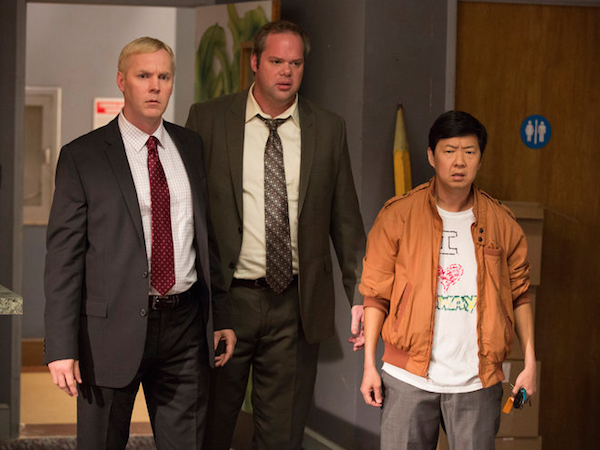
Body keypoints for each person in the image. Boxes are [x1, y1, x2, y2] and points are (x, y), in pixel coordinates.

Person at [43, 37, 236, 450]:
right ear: (121, 81)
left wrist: (220, 315)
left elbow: (208, 241)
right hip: (108, 333)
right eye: (143, 75)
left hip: (186, 327)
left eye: (163, 77)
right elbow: (63, 260)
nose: (154, 86)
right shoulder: (83, 156)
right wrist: (60, 346)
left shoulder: (191, 146)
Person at [186, 19, 365, 450]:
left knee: (282, 436)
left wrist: (361, 296)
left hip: (295, 306)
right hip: (228, 302)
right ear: (255, 62)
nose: (286, 72)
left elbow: (346, 222)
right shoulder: (208, 119)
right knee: (210, 428)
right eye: (276, 62)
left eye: (296, 63)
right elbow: (187, 212)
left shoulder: (328, 128)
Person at [359, 111, 537, 450]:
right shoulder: (398, 215)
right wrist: (369, 365)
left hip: (477, 381)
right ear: (431, 155)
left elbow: (520, 295)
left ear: (480, 158)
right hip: (407, 378)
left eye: (469, 152)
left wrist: (529, 363)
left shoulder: (502, 223)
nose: (459, 161)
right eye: (449, 151)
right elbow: (375, 295)